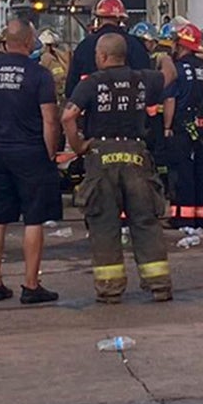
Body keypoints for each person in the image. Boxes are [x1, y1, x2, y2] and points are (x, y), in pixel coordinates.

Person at [62, 32, 172, 304]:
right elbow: (170, 74)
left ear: (101, 56)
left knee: (104, 223)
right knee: (145, 221)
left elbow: (68, 115)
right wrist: (165, 55)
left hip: (101, 156)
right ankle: (159, 284)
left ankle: (110, 289)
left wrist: (78, 146)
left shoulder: (91, 84)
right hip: (136, 156)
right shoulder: (143, 79)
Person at [0, 18, 63, 305]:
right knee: (33, 218)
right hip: (32, 152)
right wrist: (51, 153)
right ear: (28, 42)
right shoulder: (38, 75)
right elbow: (49, 119)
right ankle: (31, 284)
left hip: (0, 151)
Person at [163, 23, 203, 228]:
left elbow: (170, 100)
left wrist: (167, 127)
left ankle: (183, 217)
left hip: (182, 125)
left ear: (180, 45)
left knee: (181, 171)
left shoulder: (176, 70)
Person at [66, 0, 151, 94]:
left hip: (91, 105)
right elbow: (147, 82)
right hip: (129, 105)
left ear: (99, 19)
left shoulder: (84, 46)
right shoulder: (136, 45)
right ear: (121, 19)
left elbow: (71, 89)